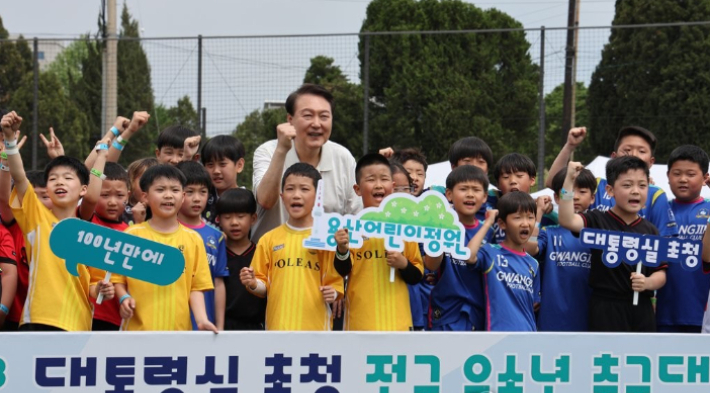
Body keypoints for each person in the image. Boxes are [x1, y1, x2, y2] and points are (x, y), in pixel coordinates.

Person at [2, 111, 113, 331]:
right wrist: (10, 141)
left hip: (77, 326)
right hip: (38, 320)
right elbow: (19, 176)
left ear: (83, 189)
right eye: (53, 179)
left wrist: (101, 289)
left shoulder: (89, 235)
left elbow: (91, 286)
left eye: (67, 178)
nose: (59, 182)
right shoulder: (36, 218)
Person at [558, 157, 668, 332]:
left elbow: (661, 272)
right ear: (610, 190)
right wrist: (570, 179)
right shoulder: (596, 219)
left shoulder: (652, 231)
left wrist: (648, 282)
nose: (635, 191)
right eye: (627, 185)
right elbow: (566, 219)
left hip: (642, 308)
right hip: (605, 307)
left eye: (642, 185)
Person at [239, 163, 347, 331]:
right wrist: (252, 283)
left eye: (304, 189)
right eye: (290, 189)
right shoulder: (269, 239)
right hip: (277, 329)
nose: (296, 195)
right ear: (282, 196)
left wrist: (332, 293)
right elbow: (263, 286)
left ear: (318, 196)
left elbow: (335, 284)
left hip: (317, 331)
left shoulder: (327, 238)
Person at [113, 165, 217, 332]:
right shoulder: (132, 235)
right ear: (145, 197)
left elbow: (196, 287)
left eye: (175, 190)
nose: (168, 195)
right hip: (136, 333)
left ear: (182, 197)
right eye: (160, 190)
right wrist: (123, 298)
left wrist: (202, 320)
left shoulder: (194, 239)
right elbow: (118, 279)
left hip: (179, 334)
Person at [252, 83, 361, 242]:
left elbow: (355, 218)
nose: (316, 124)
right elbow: (265, 201)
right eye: (308, 115)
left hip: (324, 261)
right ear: (290, 120)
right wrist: (281, 150)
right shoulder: (268, 151)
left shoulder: (344, 157)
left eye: (324, 116)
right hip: (271, 261)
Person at [340, 154, 424, 331]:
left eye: (384, 179)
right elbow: (342, 270)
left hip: (398, 324)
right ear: (357, 189)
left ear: (392, 187)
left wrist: (403, 264)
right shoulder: (351, 228)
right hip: (360, 324)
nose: (378, 185)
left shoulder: (405, 228)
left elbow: (417, 275)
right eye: (371, 180)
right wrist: (341, 250)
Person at [547, 126, 677, 237]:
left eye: (641, 151)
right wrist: (570, 147)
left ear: (651, 161)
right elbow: (556, 183)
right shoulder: (596, 185)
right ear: (613, 156)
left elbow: (664, 245)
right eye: (627, 149)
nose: (633, 154)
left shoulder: (656, 196)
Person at [525, 168, 596, 331]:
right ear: (557, 197)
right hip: (552, 319)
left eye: (582, 191)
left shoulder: (599, 234)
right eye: (570, 191)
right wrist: (539, 213)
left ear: (592, 198)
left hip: (589, 319)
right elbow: (529, 249)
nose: (575, 196)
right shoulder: (549, 233)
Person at [427, 165, 493, 331]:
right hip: (446, 313)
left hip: (479, 315)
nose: (470, 194)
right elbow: (431, 265)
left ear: (484, 197)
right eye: (463, 189)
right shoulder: (439, 227)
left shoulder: (490, 232)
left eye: (476, 190)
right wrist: (439, 237)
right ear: (449, 194)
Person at [465, 192, 540, 331]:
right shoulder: (490, 252)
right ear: (502, 223)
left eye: (530, 217)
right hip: (497, 337)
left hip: (528, 337)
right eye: (517, 218)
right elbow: (469, 256)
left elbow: (535, 304)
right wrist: (488, 222)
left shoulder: (533, 264)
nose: (525, 223)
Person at [658, 145, 710, 332]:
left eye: (690, 174)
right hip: (664, 313)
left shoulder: (708, 209)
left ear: (705, 178)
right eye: (677, 173)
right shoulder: (659, 210)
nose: (683, 179)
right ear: (668, 176)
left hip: (703, 314)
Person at [176, 161, 229, 331]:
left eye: (203, 192)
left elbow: (219, 283)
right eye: (190, 192)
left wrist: (220, 326)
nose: (197, 198)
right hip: (173, 322)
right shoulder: (165, 232)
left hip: (205, 324)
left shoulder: (217, 236)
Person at [0, 170, 50, 331]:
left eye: (45, 196)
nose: (37, 203)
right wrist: (6, 159)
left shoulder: (61, 231)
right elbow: (3, 198)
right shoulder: (15, 225)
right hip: (13, 317)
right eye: (30, 196)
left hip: (48, 318)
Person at [87, 162, 130, 331]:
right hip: (84, 313)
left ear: (128, 195)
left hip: (114, 318)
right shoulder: (84, 221)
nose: (112, 202)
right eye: (104, 195)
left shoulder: (131, 234)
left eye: (119, 195)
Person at [216, 188, 266, 330]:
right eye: (227, 217)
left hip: (257, 330)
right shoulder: (215, 255)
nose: (234, 222)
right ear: (218, 220)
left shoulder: (261, 253)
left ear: (253, 219)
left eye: (240, 216)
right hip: (221, 329)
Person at [490, 153, 556, 243]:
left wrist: (539, 210)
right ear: (497, 184)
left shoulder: (546, 214)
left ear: (532, 180)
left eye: (519, 176)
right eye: (506, 177)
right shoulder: (488, 200)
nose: (513, 181)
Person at [200, 135, 246, 224]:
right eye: (210, 165)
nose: (216, 171)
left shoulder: (248, 199)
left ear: (239, 165)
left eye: (222, 164)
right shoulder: (201, 198)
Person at [124, 157, 158, 225]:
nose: (149, 187)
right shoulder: (120, 210)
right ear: (131, 182)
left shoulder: (163, 214)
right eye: (144, 181)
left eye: (156, 182)